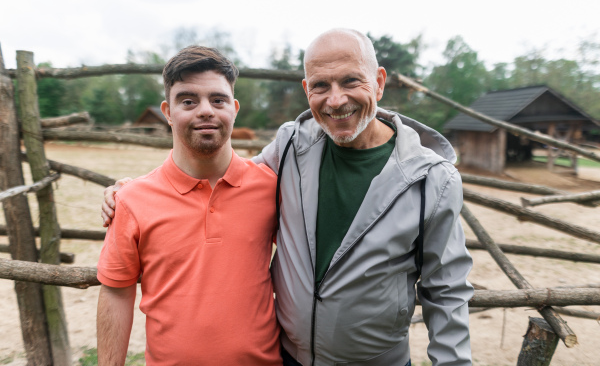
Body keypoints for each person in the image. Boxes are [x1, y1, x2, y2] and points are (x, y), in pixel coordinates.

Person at [103, 29, 473, 366]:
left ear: (378, 83)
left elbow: (447, 291)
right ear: (306, 89)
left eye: (350, 81)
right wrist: (132, 191)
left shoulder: (433, 181)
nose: (336, 99)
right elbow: (211, 171)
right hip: (291, 360)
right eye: (320, 85)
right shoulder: (292, 147)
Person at [96, 46, 282, 365]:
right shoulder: (132, 199)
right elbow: (116, 292)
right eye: (188, 101)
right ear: (168, 112)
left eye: (218, 99)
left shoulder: (272, 187)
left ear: (234, 109)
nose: (205, 110)